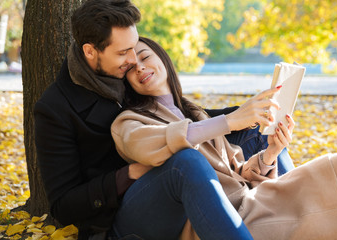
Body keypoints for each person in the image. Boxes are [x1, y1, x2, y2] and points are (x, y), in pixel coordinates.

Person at [34, 0, 296, 239]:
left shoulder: (125, 71)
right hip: (126, 211)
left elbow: (175, 115)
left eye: (137, 49)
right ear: (91, 52)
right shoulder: (56, 108)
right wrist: (127, 174)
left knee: (260, 133)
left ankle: (298, 214)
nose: (134, 60)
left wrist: (247, 115)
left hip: (173, 167)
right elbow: (63, 205)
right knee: (186, 161)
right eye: (124, 52)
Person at [111, 36, 337, 240]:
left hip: (250, 202)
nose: (140, 67)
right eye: (131, 68)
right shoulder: (129, 122)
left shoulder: (195, 113)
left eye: (144, 57)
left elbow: (237, 172)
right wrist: (230, 121)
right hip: (217, 220)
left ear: (162, 58)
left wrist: (271, 152)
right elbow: (150, 145)